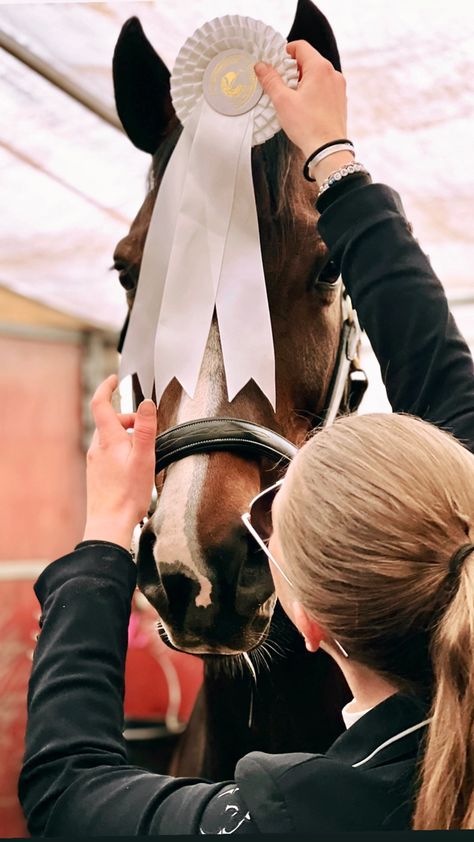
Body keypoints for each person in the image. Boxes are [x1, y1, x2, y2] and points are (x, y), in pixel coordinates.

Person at [19, 40, 474, 834]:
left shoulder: (281, 819)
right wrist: (334, 160)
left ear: (312, 619)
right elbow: (452, 397)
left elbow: (66, 790)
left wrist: (100, 539)